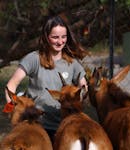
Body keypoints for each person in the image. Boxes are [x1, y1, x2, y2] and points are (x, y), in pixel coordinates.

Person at [5, 15, 88, 143]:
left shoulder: (73, 63)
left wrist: (74, 102)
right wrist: (10, 109)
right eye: (55, 37)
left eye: (63, 37)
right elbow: (11, 85)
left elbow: (84, 88)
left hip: (64, 127)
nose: (60, 42)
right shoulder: (33, 59)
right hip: (38, 125)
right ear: (45, 37)